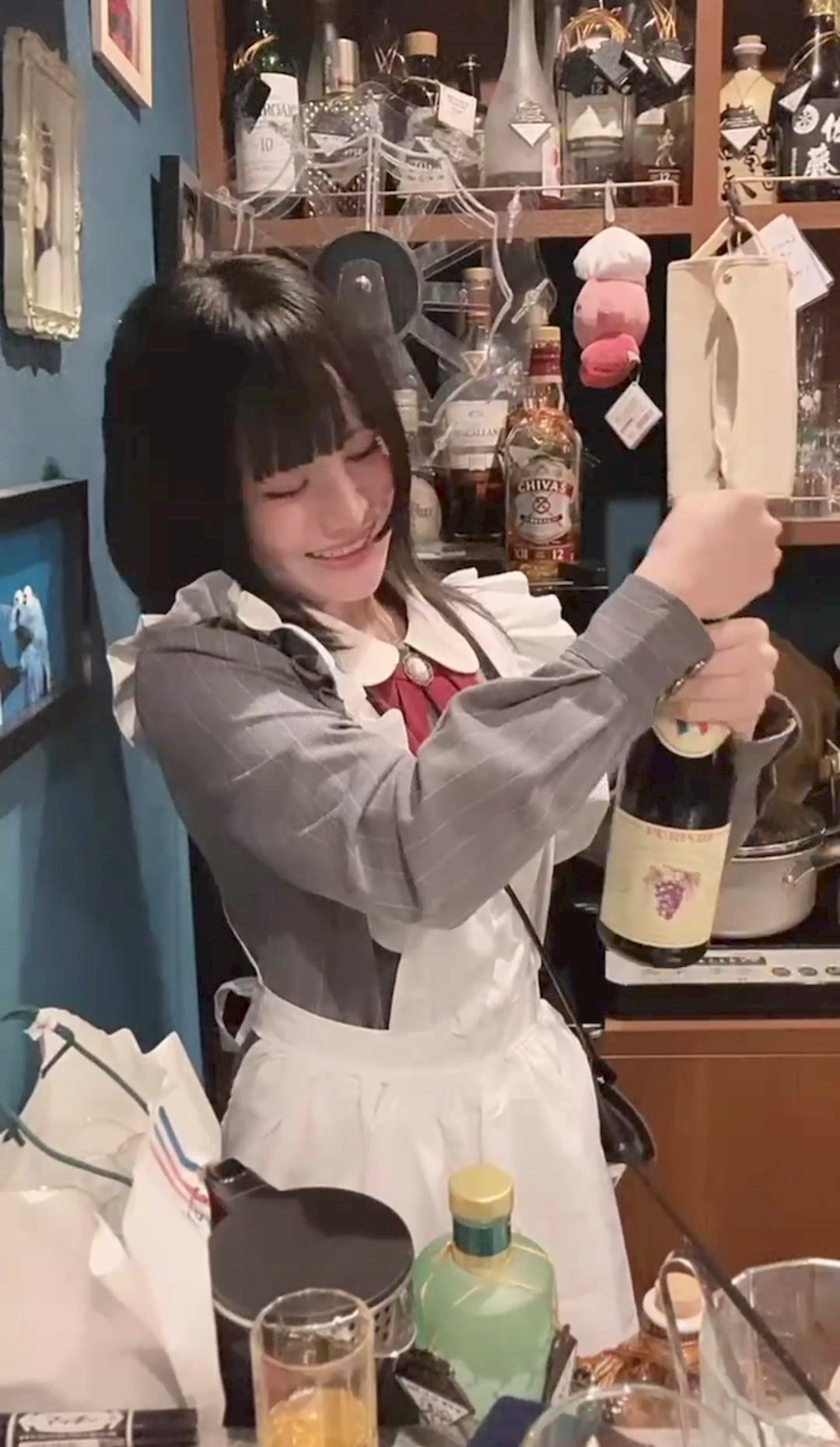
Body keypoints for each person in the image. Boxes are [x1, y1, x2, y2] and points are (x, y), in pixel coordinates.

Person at [104, 254, 787, 1354]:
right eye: (285, 485)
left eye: (362, 449)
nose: (349, 508)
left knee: (552, 1401)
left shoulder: (467, 620)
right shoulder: (205, 669)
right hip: (353, 1141)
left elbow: (606, 844)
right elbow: (409, 846)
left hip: (527, 1101)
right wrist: (654, 611)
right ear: (200, 497)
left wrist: (708, 732)